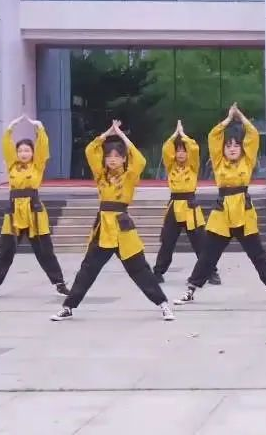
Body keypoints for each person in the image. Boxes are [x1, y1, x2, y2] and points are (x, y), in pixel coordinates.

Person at [51, 120, 174, 321]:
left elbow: (140, 160)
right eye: (109, 156)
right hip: (103, 229)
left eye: (117, 156)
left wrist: (123, 137)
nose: (113, 160)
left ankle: (163, 304)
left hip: (123, 228)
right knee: (88, 269)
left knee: (139, 269)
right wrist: (107, 133)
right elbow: (90, 151)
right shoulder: (101, 175)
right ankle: (68, 307)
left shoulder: (129, 176)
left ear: (124, 159)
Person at [174, 104, 266, 305]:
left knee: (258, 254)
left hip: (244, 212)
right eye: (228, 146)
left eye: (236, 145)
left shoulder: (247, 160)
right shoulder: (218, 162)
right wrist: (228, 119)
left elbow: (253, 135)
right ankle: (191, 290)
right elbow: (213, 136)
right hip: (222, 214)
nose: (233, 149)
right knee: (208, 255)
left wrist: (241, 117)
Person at [0, 115, 68, 298]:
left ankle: (59, 284)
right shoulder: (12, 165)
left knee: (45, 252)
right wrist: (10, 128)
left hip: (34, 212)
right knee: (5, 251)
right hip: (13, 213)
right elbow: (6, 147)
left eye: (27, 150)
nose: (23, 153)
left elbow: (43, 147)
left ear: (33, 153)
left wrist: (40, 128)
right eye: (20, 150)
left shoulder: (37, 165)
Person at [152, 121, 219, 285]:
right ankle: (158, 272)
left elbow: (194, 149)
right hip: (174, 206)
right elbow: (166, 149)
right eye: (178, 150)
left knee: (200, 242)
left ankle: (211, 272)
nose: (181, 154)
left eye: (183, 150)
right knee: (167, 242)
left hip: (190, 206)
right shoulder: (171, 166)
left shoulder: (193, 165)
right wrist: (175, 135)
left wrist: (183, 135)